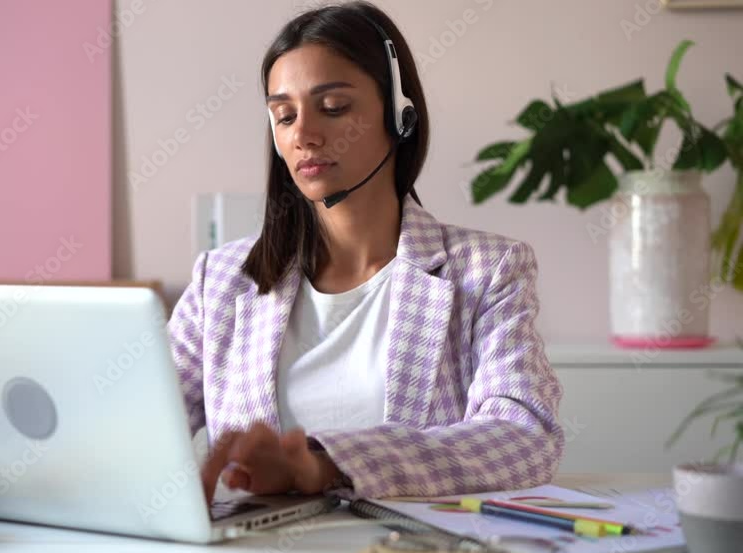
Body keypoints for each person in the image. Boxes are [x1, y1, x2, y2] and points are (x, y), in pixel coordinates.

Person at [167, 1, 563, 503]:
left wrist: (325, 463)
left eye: (333, 108)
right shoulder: (221, 280)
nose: (304, 135)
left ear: (400, 116)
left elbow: (526, 439)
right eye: (284, 116)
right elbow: (138, 431)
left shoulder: (487, 271)